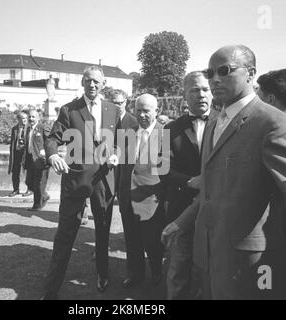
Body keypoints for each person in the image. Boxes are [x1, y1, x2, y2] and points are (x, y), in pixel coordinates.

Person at [162, 45, 286, 299]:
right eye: (210, 73)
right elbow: (210, 189)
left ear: (251, 74)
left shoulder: (272, 122)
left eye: (224, 70)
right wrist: (181, 223)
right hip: (208, 255)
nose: (214, 79)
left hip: (250, 264)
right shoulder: (215, 123)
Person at [43, 66, 119, 298]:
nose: (92, 85)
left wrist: (116, 153)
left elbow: (118, 141)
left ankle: (103, 275)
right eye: (88, 81)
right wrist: (53, 154)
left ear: (103, 83)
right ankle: (51, 289)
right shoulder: (69, 109)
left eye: (96, 81)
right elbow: (53, 138)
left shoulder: (113, 110)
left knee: (103, 231)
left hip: (104, 180)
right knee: (65, 235)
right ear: (82, 83)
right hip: (75, 180)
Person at [164, 71, 217, 300]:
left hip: (217, 212)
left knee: (212, 273)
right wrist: (188, 182)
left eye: (205, 89)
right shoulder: (170, 129)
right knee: (178, 269)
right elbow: (162, 168)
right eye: (194, 90)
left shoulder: (229, 123)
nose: (201, 94)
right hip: (181, 208)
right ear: (184, 95)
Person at [122, 94, 166, 288]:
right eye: (138, 110)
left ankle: (157, 273)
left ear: (157, 111)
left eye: (146, 110)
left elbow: (167, 171)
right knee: (132, 241)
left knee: (152, 242)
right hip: (127, 197)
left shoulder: (165, 134)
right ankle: (135, 274)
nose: (141, 114)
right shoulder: (129, 132)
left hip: (151, 200)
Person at [111, 89, 138, 286]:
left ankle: (139, 270)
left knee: (132, 228)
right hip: (108, 175)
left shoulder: (134, 123)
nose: (116, 106)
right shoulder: (104, 121)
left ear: (126, 102)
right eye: (113, 102)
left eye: (120, 103)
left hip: (127, 180)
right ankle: (101, 248)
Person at [24, 109, 51, 211]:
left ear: (38, 118)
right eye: (29, 117)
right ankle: (44, 195)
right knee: (29, 182)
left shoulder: (43, 128)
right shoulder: (28, 129)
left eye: (33, 117)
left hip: (41, 160)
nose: (31, 119)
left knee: (39, 183)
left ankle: (37, 205)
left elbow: (50, 141)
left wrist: (46, 152)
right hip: (31, 159)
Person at [7, 111, 29, 197]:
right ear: (18, 119)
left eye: (25, 118)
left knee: (28, 171)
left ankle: (29, 189)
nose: (25, 120)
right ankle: (16, 189)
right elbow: (13, 142)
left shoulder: (30, 128)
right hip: (17, 152)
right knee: (15, 171)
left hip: (26, 152)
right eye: (22, 118)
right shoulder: (14, 129)